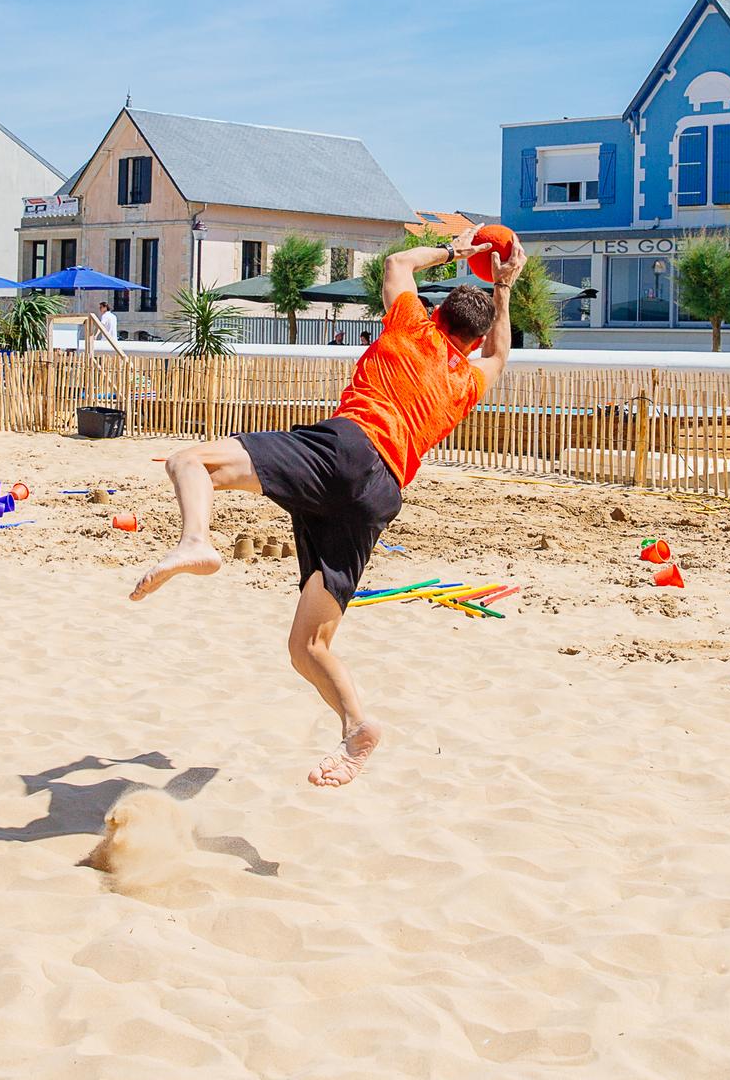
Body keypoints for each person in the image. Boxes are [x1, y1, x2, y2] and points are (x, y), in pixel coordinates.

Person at [129, 227, 522, 787]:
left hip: (349, 447)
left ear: (438, 317)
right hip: (379, 497)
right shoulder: (466, 379)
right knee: (308, 646)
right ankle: (357, 724)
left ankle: (197, 540)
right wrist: (504, 287)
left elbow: (398, 262)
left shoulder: (411, 325)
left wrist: (458, 249)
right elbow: (500, 355)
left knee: (190, 461)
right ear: (471, 339)